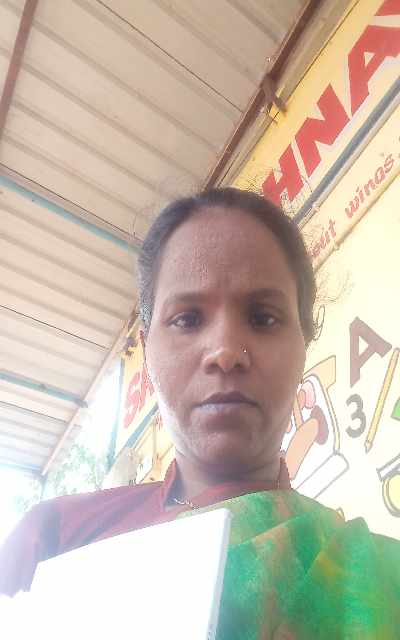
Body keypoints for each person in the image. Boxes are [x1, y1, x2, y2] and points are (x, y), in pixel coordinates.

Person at [0, 188, 399, 638]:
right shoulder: (55, 539)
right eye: (188, 319)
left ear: (304, 342)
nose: (226, 351)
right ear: (148, 347)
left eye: (263, 318)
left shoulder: (380, 582)